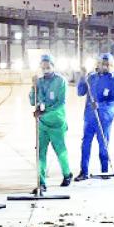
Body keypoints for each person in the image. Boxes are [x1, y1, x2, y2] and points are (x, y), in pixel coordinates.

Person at [29, 55, 72, 192]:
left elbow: (60, 103)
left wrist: (44, 112)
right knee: (40, 154)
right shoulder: (40, 82)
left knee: (61, 151)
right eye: (43, 67)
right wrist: (33, 86)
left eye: (48, 67)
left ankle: (67, 174)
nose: (46, 70)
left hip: (56, 123)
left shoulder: (60, 81)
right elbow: (33, 101)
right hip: (42, 125)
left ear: (53, 66)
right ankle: (41, 182)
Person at [75, 53, 114, 181]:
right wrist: (82, 77)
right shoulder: (91, 78)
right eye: (102, 63)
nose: (105, 66)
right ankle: (84, 171)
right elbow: (80, 92)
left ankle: (104, 170)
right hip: (90, 118)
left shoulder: (113, 80)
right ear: (98, 64)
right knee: (85, 144)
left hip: (104, 119)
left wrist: (100, 106)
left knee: (103, 144)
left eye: (107, 64)